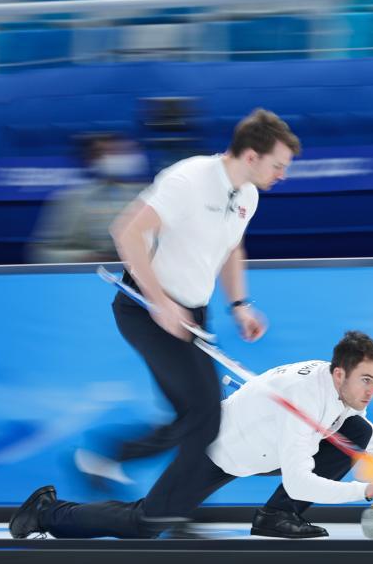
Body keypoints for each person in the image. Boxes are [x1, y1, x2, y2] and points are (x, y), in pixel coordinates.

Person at [72, 109, 299, 507]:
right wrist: (160, 303)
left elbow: (232, 248)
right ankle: (170, 509)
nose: (283, 174)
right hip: (146, 308)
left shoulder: (247, 195)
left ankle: (109, 459)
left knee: (196, 418)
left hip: (191, 315)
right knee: (205, 416)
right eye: (278, 165)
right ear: (251, 156)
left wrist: (239, 305)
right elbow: (127, 232)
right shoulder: (188, 179)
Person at [9, 331, 373, 539]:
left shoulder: (337, 388)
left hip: (260, 447)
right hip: (216, 451)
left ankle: (275, 519)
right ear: (340, 373)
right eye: (366, 380)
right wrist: (366, 490)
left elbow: (359, 428)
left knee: (352, 431)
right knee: (146, 523)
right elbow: (299, 481)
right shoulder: (305, 401)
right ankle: (46, 511)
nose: (372, 391)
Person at [27, 133, 149, 264]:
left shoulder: (154, 194)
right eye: (110, 152)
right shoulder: (70, 200)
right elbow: (42, 253)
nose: (120, 157)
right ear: (91, 159)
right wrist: (84, 257)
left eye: (125, 151)